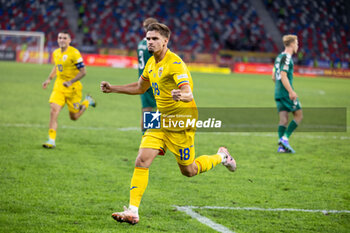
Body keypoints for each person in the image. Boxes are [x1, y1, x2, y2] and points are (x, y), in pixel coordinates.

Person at [100, 23, 236, 225]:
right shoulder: (151, 63)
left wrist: (182, 95)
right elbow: (140, 87)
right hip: (160, 118)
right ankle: (133, 211)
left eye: (154, 39)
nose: (150, 42)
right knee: (142, 159)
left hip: (182, 121)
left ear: (165, 41)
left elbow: (188, 92)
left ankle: (222, 156)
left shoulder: (175, 64)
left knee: (189, 171)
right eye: (148, 39)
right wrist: (113, 89)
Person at [42, 31, 96, 149]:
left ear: (69, 40)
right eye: (59, 37)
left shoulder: (74, 53)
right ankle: (51, 140)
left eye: (64, 38)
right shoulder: (56, 53)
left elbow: (83, 71)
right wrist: (49, 79)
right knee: (53, 110)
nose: (61, 40)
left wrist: (70, 81)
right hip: (59, 86)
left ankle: (87, 101)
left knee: (74, 117)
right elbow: (57, 67)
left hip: (73, 89)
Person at [272, 34, 303, 153]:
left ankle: (281, 147)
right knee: (299, 115)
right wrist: (290, 91)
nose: (297, 46)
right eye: (297, 43)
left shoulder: (279, 57)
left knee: (283, 119)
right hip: (285, 93)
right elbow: (283, 75)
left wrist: (279, 87)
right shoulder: (287, 58)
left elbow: (274, 76)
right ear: (291, 44)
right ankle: (285, 139)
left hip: (278, 92)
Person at [137, 18, 158, 133]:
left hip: (142, 78)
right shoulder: (152, 45)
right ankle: (150, 139)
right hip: (151, 79)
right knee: (153, 110)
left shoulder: (141, 44)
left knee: (147, 109)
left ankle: (145, 137)